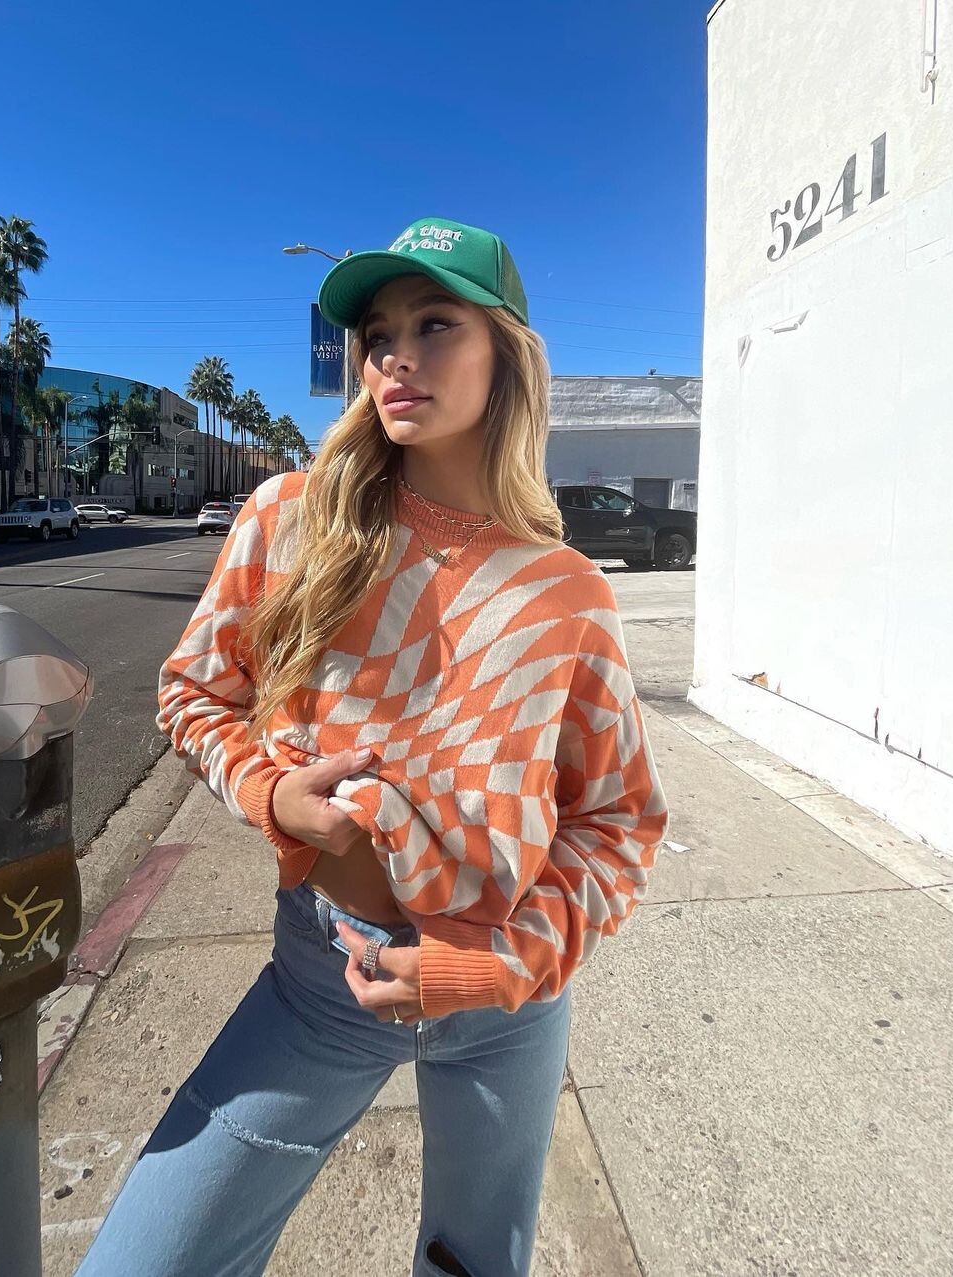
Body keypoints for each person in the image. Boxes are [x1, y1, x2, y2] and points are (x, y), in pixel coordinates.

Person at [76, 216, 669, 1277]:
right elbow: (193, 692)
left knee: (475, 1263)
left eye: (435, 324)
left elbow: (616, 821)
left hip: (505, 995)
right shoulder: (293, 520)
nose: (397, 355)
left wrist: (495, 965)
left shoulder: (568, 593)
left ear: (506, 355)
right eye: (378, 334)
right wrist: (272, 795)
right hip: (326, 974)